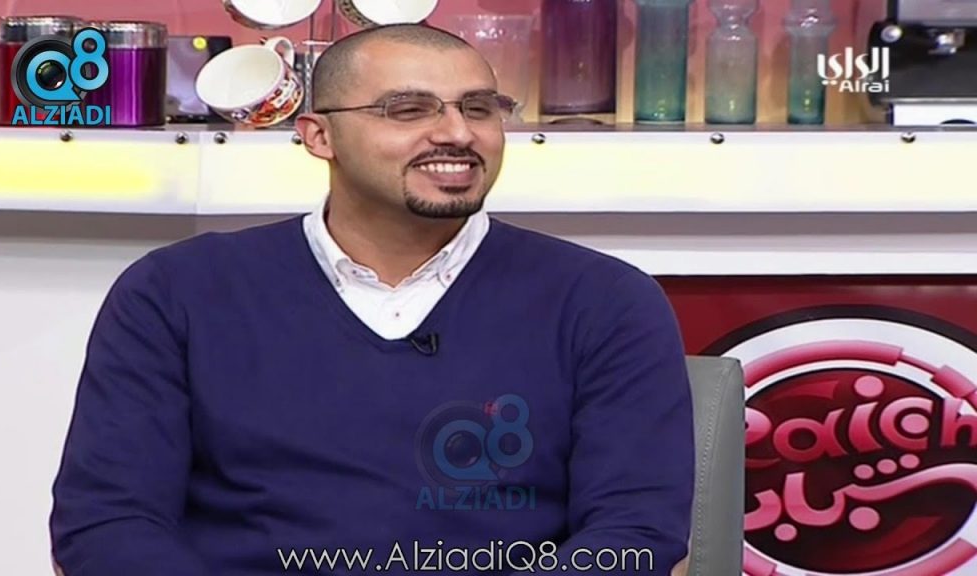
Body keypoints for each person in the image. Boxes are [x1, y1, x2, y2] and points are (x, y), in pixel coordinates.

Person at [50, 23, 695, 576]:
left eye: (479, 109)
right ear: (318, 136)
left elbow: (635, 535)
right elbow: (107, 524)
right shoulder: (177, 292)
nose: (458, 133)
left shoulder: (606, 301)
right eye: (408, 110)